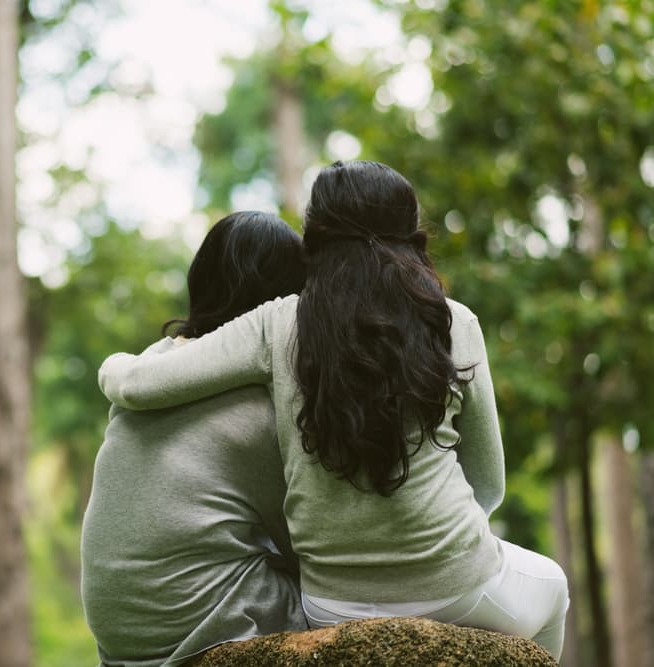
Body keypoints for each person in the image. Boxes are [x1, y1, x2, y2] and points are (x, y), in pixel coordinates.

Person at [98, 161, 569, 659]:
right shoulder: (453, 322)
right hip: (456, 583)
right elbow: (487, 482)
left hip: (329, 603)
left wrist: (114, 364)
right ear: (413, 239)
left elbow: (137, 384)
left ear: (314, 243)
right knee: (554, 587)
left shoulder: (278, 324)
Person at [80, 211, 309, 667]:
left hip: (119, 637)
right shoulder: (254, 407)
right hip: (198, 629)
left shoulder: (153, 362)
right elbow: (302, 539)